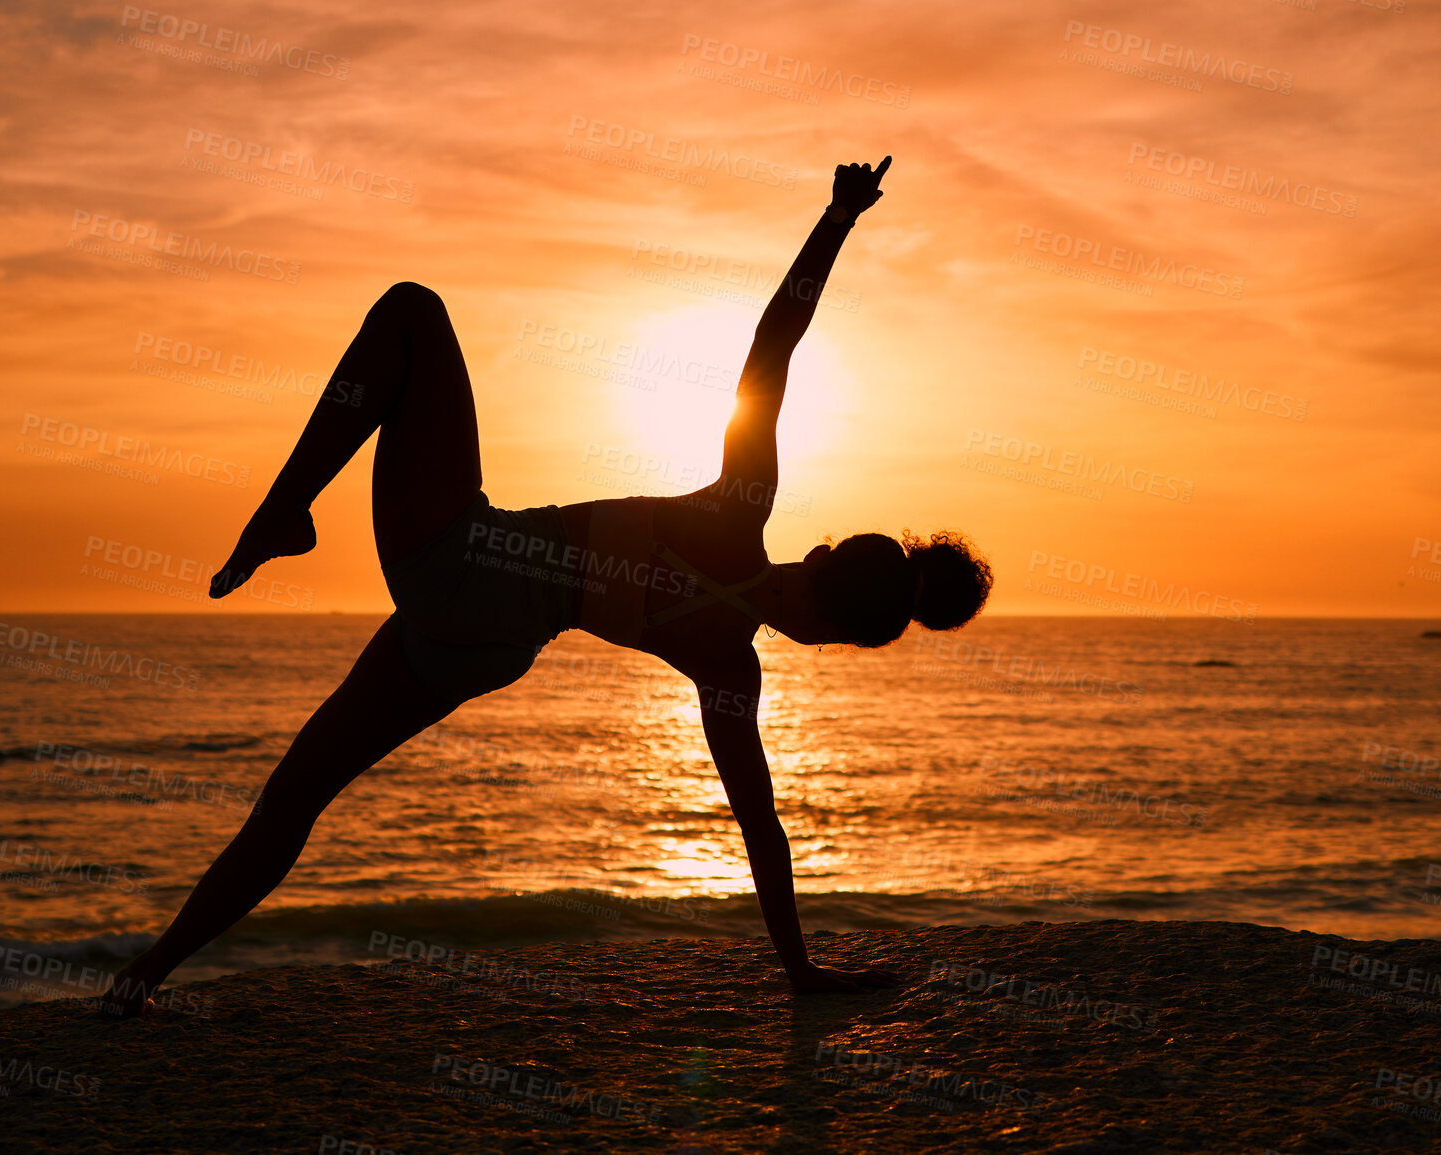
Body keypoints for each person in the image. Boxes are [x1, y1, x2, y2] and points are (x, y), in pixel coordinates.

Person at [101, 157, 992, 1016]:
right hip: (486, 646)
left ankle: (284, 514)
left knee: (412, 313)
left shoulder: (738, 507)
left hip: (465, 562)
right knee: (303, 792)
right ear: (830, 637)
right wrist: (797, 966)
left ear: (821, 553)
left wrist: (838, 218)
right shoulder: (728, 668)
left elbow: (774, 342)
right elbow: (760, 827)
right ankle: (146, 971)